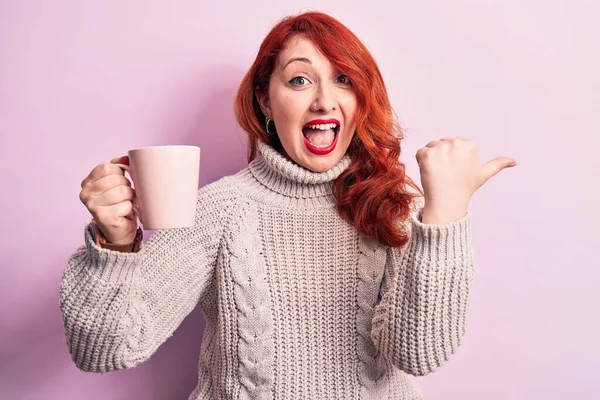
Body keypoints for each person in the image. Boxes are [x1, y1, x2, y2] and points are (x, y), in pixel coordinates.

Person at [60, 11, 516, 400]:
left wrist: (446, 217)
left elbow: (420, 352)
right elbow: (105, 347)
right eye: (299, 79)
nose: (324, 99)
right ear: (264, 99)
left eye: (343, 79)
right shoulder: (217, 210)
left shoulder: (394, 203)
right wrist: (114, 245)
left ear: (361, 99)